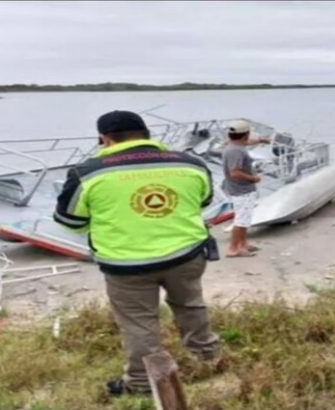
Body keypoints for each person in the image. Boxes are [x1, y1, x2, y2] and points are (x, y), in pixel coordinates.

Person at [54, 110, 220, 396]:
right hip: (186, 255)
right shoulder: (192, 164)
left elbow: (70, 220)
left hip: (125, 264)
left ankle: (143, 383)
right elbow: (203, 199)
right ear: (146, 135)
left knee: (139, 323)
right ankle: (208, 357)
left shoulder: (88, 172)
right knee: (191, 304)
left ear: (105, 139)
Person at [221, 120, 270, 257]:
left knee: (245, 218)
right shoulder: (236, 151)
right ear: (245, 134)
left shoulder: (234, 145)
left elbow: (246, 142)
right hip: (241, 190)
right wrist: (253, 178)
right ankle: (233, 248)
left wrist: (261, 140)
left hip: (240, 189)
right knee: (241, 220)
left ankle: (243, 243)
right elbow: (234, 172)